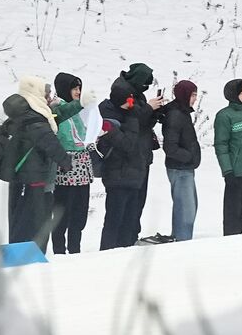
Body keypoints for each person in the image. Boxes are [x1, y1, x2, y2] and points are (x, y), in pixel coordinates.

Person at [0, 76, 72, 251]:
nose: (48, 97)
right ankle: (31, 257)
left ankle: (20, 254)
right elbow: (49, 142)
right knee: (34, 222)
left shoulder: (21, 115)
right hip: (35, 178)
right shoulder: (34, 117)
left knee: (19, 218)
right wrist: (66, 162)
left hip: (22, 177)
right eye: (46, 93)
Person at [98, 77, 153, 250]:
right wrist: (132, 120)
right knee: (114, 220)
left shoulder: (131, 115)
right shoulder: (110, 120)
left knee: (130, 221)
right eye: (129, 100)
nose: (132, 104)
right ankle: (106, 252)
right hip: (117, 176)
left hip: (133, 176)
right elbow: (127, 144)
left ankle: (126, 250)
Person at [118, 62, 164, 244]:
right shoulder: (123, 93)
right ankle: (124, 238)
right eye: (144, 82)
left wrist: (155, 112)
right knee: (131, 201)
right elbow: (131, 118)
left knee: (139, 200)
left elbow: (143, 121)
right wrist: (149, 108)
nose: (145, 86)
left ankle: (131, 235)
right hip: (131, 155)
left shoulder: (138, 94)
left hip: (142, 153)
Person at [51, 73, 94, 254]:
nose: (78, 92)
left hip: (82, 168)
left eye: (79, 89)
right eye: (75, 88)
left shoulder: (78, 110)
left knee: (79, 214)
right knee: (62, 214)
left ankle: (75, 250)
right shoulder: (56, 107)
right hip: (66, 169)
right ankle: (60, 251)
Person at [213, 79, 242, 236]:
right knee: (233, 212)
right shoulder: (224, 116)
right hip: (235, 171)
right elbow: (221, 145)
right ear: (233, 95)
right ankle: (230, 240)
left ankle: (238, 239)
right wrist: (227, 170)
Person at [161, 79, 201, 242]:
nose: (195, 99)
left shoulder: (182, 112)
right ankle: (182, 242)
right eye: (192, 95)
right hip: (179, 168)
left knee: (189, 208)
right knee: (186, 210)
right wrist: (188, 156)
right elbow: (170, 147)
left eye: (196, 95)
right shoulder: (176, 115)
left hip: (185, 168)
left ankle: (182, 239)